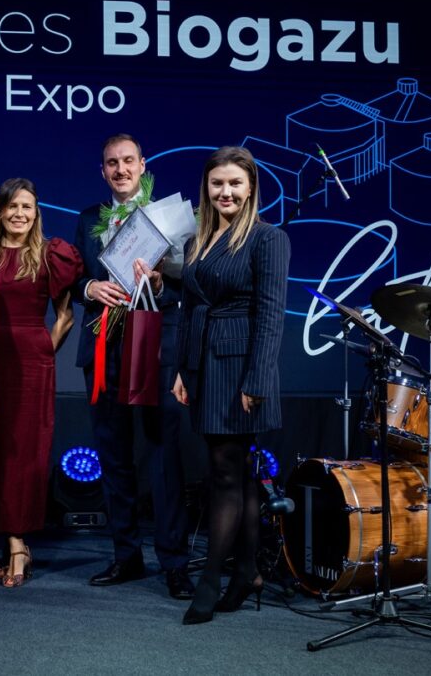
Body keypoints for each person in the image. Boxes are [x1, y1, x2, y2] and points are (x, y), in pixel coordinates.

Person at [72, 134, 193, 600]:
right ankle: (126, 555)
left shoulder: (168, 218)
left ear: (143, 164)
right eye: (111, 163)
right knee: (113, 456)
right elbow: (76, 278)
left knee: (163, 457)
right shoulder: (88, 219)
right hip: (104, 347)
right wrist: (90, 289)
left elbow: (188, 286)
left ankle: (174, 562)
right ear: (102, 171)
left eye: (128, 161)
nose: (120, 169)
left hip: (156, 347)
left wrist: (159, 284)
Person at [172, 146, 290, 624]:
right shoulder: (195, 243)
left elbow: (271, 315)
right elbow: (189, 310)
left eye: (235, 183)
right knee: (237, 475)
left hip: (241, 368)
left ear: (251, 188)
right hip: (204, 365)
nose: (226, 192)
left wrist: (256, 379)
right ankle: (246, 572)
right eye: (217, 183)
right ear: (207, 188)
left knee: (224, 474)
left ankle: (210, 581)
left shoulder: (268, 238)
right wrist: (182, 369)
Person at [0, 179, 83, 587]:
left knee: (23, 453)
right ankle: (5, 538)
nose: (20, 213)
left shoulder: (50, 255)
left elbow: (66, 317)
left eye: (28, 207)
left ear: (36, 213)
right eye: (13, 206)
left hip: (31, 366)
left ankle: (18, 543)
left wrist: (41, 353)